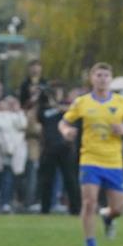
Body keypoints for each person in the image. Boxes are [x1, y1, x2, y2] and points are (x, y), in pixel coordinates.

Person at [59, 63, 123, 246]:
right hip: (90, 159)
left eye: (106, 75)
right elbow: (64, 121)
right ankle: (90, 245)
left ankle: (108, 217)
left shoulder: (122, 102)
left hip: (113, 161)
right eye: (99, 75)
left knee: (118, 208)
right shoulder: (82, 102)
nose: (102, 79)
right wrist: (66, 131)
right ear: (92, 78)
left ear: (110, 79)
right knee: (89, 202)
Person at [38, 87, 80, 215]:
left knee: (70, 179)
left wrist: (57, 106)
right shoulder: (43, 109)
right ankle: (45, 209)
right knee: (47, 180)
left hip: (65, 147)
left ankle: (75, 209)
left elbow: (74, 112)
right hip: (49, 148)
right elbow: (39, 118)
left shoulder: (68, 108)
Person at [0, 96, 28, 213]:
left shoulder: (15, 115)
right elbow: (1, 125)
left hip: (13, 151)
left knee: (9, 176)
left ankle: (6, 201)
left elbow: (23, 125)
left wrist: (18, 111)